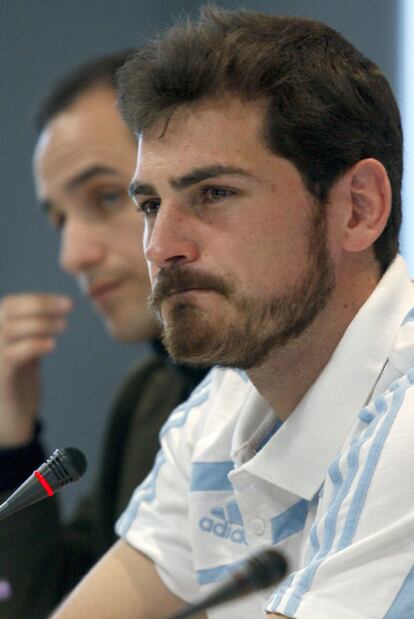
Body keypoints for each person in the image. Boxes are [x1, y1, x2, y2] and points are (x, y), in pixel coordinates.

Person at [51, 7, 414, 619]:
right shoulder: (225, 406)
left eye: (215, 194)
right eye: (149, 204)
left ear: (357, 209)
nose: (161, 246)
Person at [0, 52, 206, 619]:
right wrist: (12, 442)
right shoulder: (148, 398)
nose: (72, 255)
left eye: (107, 198)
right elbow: (44, 604)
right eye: (60, 220)